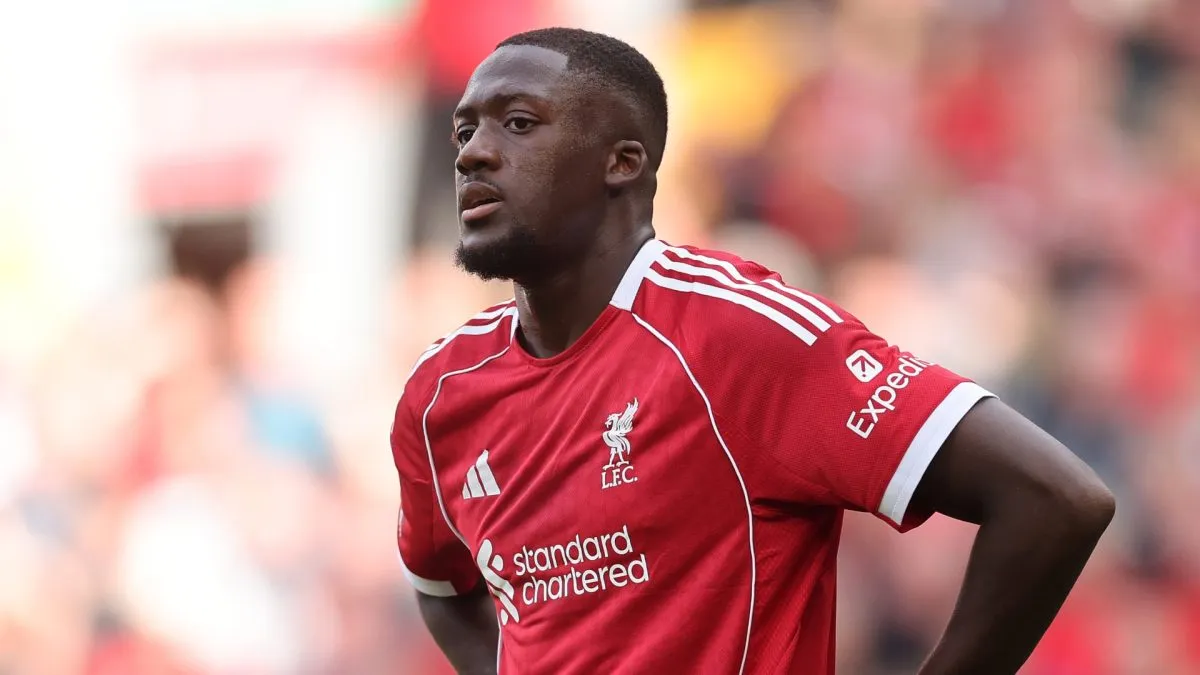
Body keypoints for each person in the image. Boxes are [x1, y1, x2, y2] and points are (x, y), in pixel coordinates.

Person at [390, 27, 1115, 675]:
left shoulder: (737, 334)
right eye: (463, 133)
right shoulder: (439, 392)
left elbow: (1055, 499)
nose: (476, 153)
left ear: (623, 163)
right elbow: (444, 590)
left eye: (518, 123)